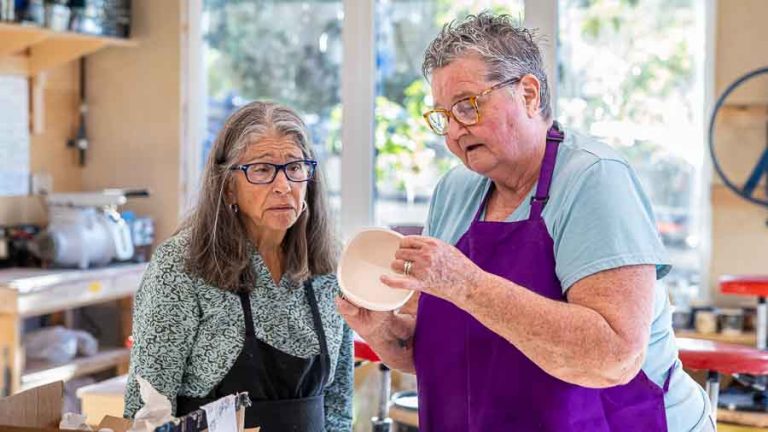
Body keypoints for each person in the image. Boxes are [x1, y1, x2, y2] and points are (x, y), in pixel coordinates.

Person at [338, 12, 712, 432]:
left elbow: (614, 358)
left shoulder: (594, 179)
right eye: (443, 116)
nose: (455, 132)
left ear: (529, 94)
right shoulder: (454, 192)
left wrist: (465, 284)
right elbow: (443, 351)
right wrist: (383, 329)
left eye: (467, 106)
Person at [125, 101, 353, 431]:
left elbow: (338, 407)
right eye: (261, 169)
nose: (283, 185)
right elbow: (147, 407)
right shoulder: (181, 265)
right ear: (228, 185)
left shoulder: (331, 268)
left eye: (295, 167)